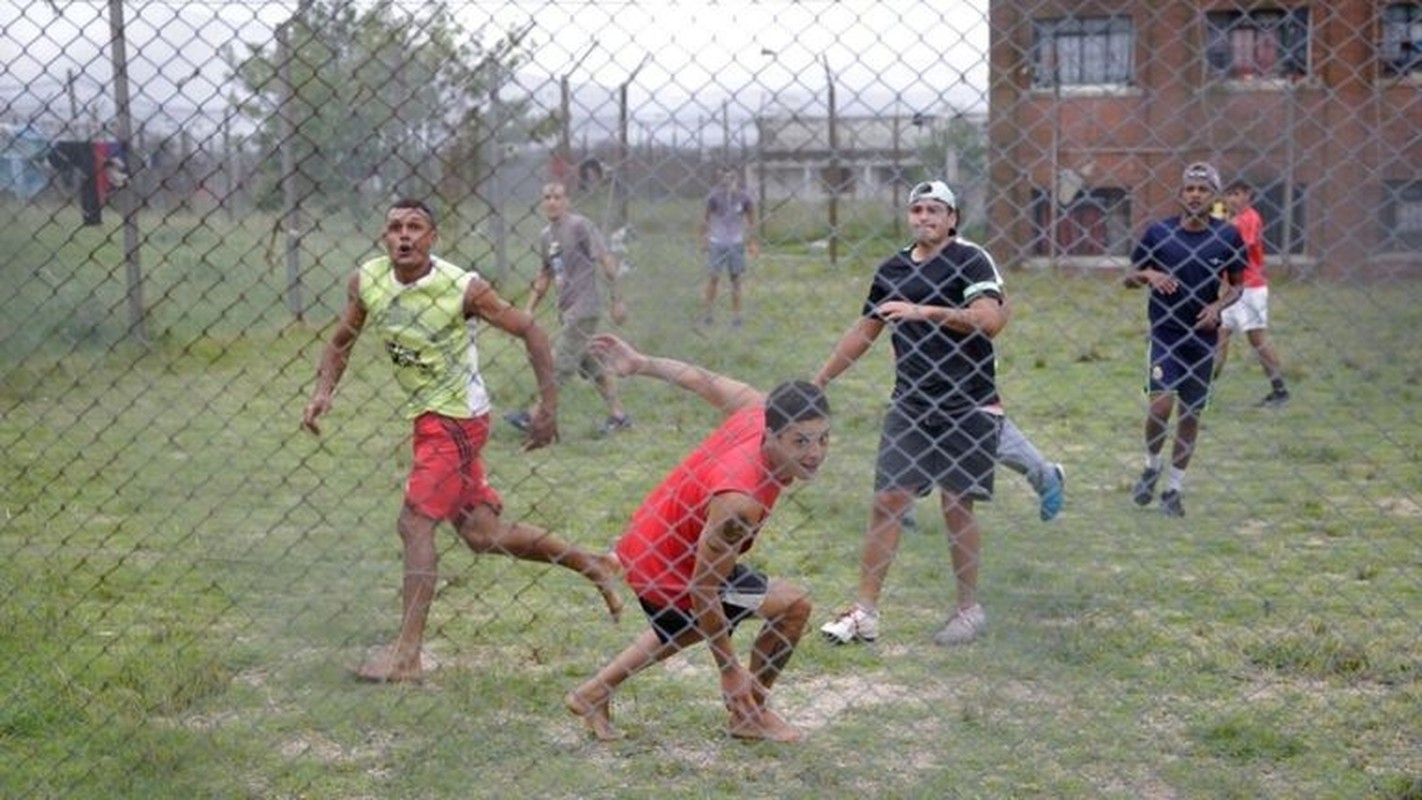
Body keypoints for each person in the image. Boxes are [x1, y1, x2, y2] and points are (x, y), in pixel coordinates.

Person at [301, 198, 624, 683]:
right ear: (383, 237)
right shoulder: (367, 280)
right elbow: (342, 338)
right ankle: (591, 561)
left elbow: (532, 331)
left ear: (433, 237)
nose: (404, 236)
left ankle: (406, 656)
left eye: (416, 228)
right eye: (394, 228)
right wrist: (324, 390)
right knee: (482, 535)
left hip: (454, 419)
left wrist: (548, 408)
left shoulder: (462, 287)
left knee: (415, 524)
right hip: (432, 419)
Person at [566, 333, 830, 743]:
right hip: (670, 570)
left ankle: (593, 692)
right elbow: (704, 589)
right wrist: (730, 672)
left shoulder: (759, 410)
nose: (815, 453)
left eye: (822, 439)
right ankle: (750, 711)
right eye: (801, 442)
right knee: (792, 606)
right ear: (773, 435)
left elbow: (702, 380)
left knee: (688, 623)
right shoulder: (740, 503)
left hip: (649, 541)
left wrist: (642, 363)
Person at [816, 179, 1009, 648]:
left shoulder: (971, 259)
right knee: (887, 502)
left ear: (952, 218)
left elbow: (989, 322)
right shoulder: (892, 270)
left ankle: (969, 609)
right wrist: (818, 382)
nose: (925, 217)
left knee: (956, 506)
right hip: (912, 405)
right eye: (917, 209)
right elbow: (864, 333)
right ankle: (865, 613)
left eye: (935, 210)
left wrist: (925, 311)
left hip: (969, 404)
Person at [1125, 163, 1245, 518]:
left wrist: (1217, 306)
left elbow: (1237, 285)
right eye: (1190, 188)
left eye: (1203, 189)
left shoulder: (1227, 236)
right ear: (1181, 193)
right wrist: (1149, 273)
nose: (1195, 194)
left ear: (1215, 197)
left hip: (1203, 339)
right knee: (1161, 408)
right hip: (1166, 334)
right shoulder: (1158, 233)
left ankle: (1173, 491)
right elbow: (1129, 277)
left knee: (1190, 414)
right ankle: (1151, 466)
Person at [505, 182, 632, 437]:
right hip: (566, 310)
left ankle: (534, 415)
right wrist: (528, 310)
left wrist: (617, 299)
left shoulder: (579, 226)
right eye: (547, 197)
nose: (552, 201)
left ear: (567, 201)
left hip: (584, 309)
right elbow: (545, 274)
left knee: (557, 363)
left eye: (557, 197)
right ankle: (619, 416)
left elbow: (606, 260)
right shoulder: (546, 235)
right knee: (592, 366)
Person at [1215, 179, 1290, 408]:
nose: (1233, 198)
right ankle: (1201, 390)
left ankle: (1280, 390)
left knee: (1257, 339)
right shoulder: (1230, 221)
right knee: (1219, 338)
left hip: (1250, 288)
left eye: (1238, 193)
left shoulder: (1249, 218)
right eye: (1229, 194)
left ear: (1248, 195)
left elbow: (1239, 247)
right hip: (1231, 290)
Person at [698, 166, 758, 327]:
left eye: (731, 177)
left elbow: (751, 219)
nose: (728, 181)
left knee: (736, 280)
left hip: (736, 243)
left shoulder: (744, 198)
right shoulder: (714, 197)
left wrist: (752, 242)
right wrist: (704, 240)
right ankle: (708, 314)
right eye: (724, 177)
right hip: (717, 242)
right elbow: (706, 219)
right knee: (713, 278)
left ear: (737, 178)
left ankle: (736, 316)